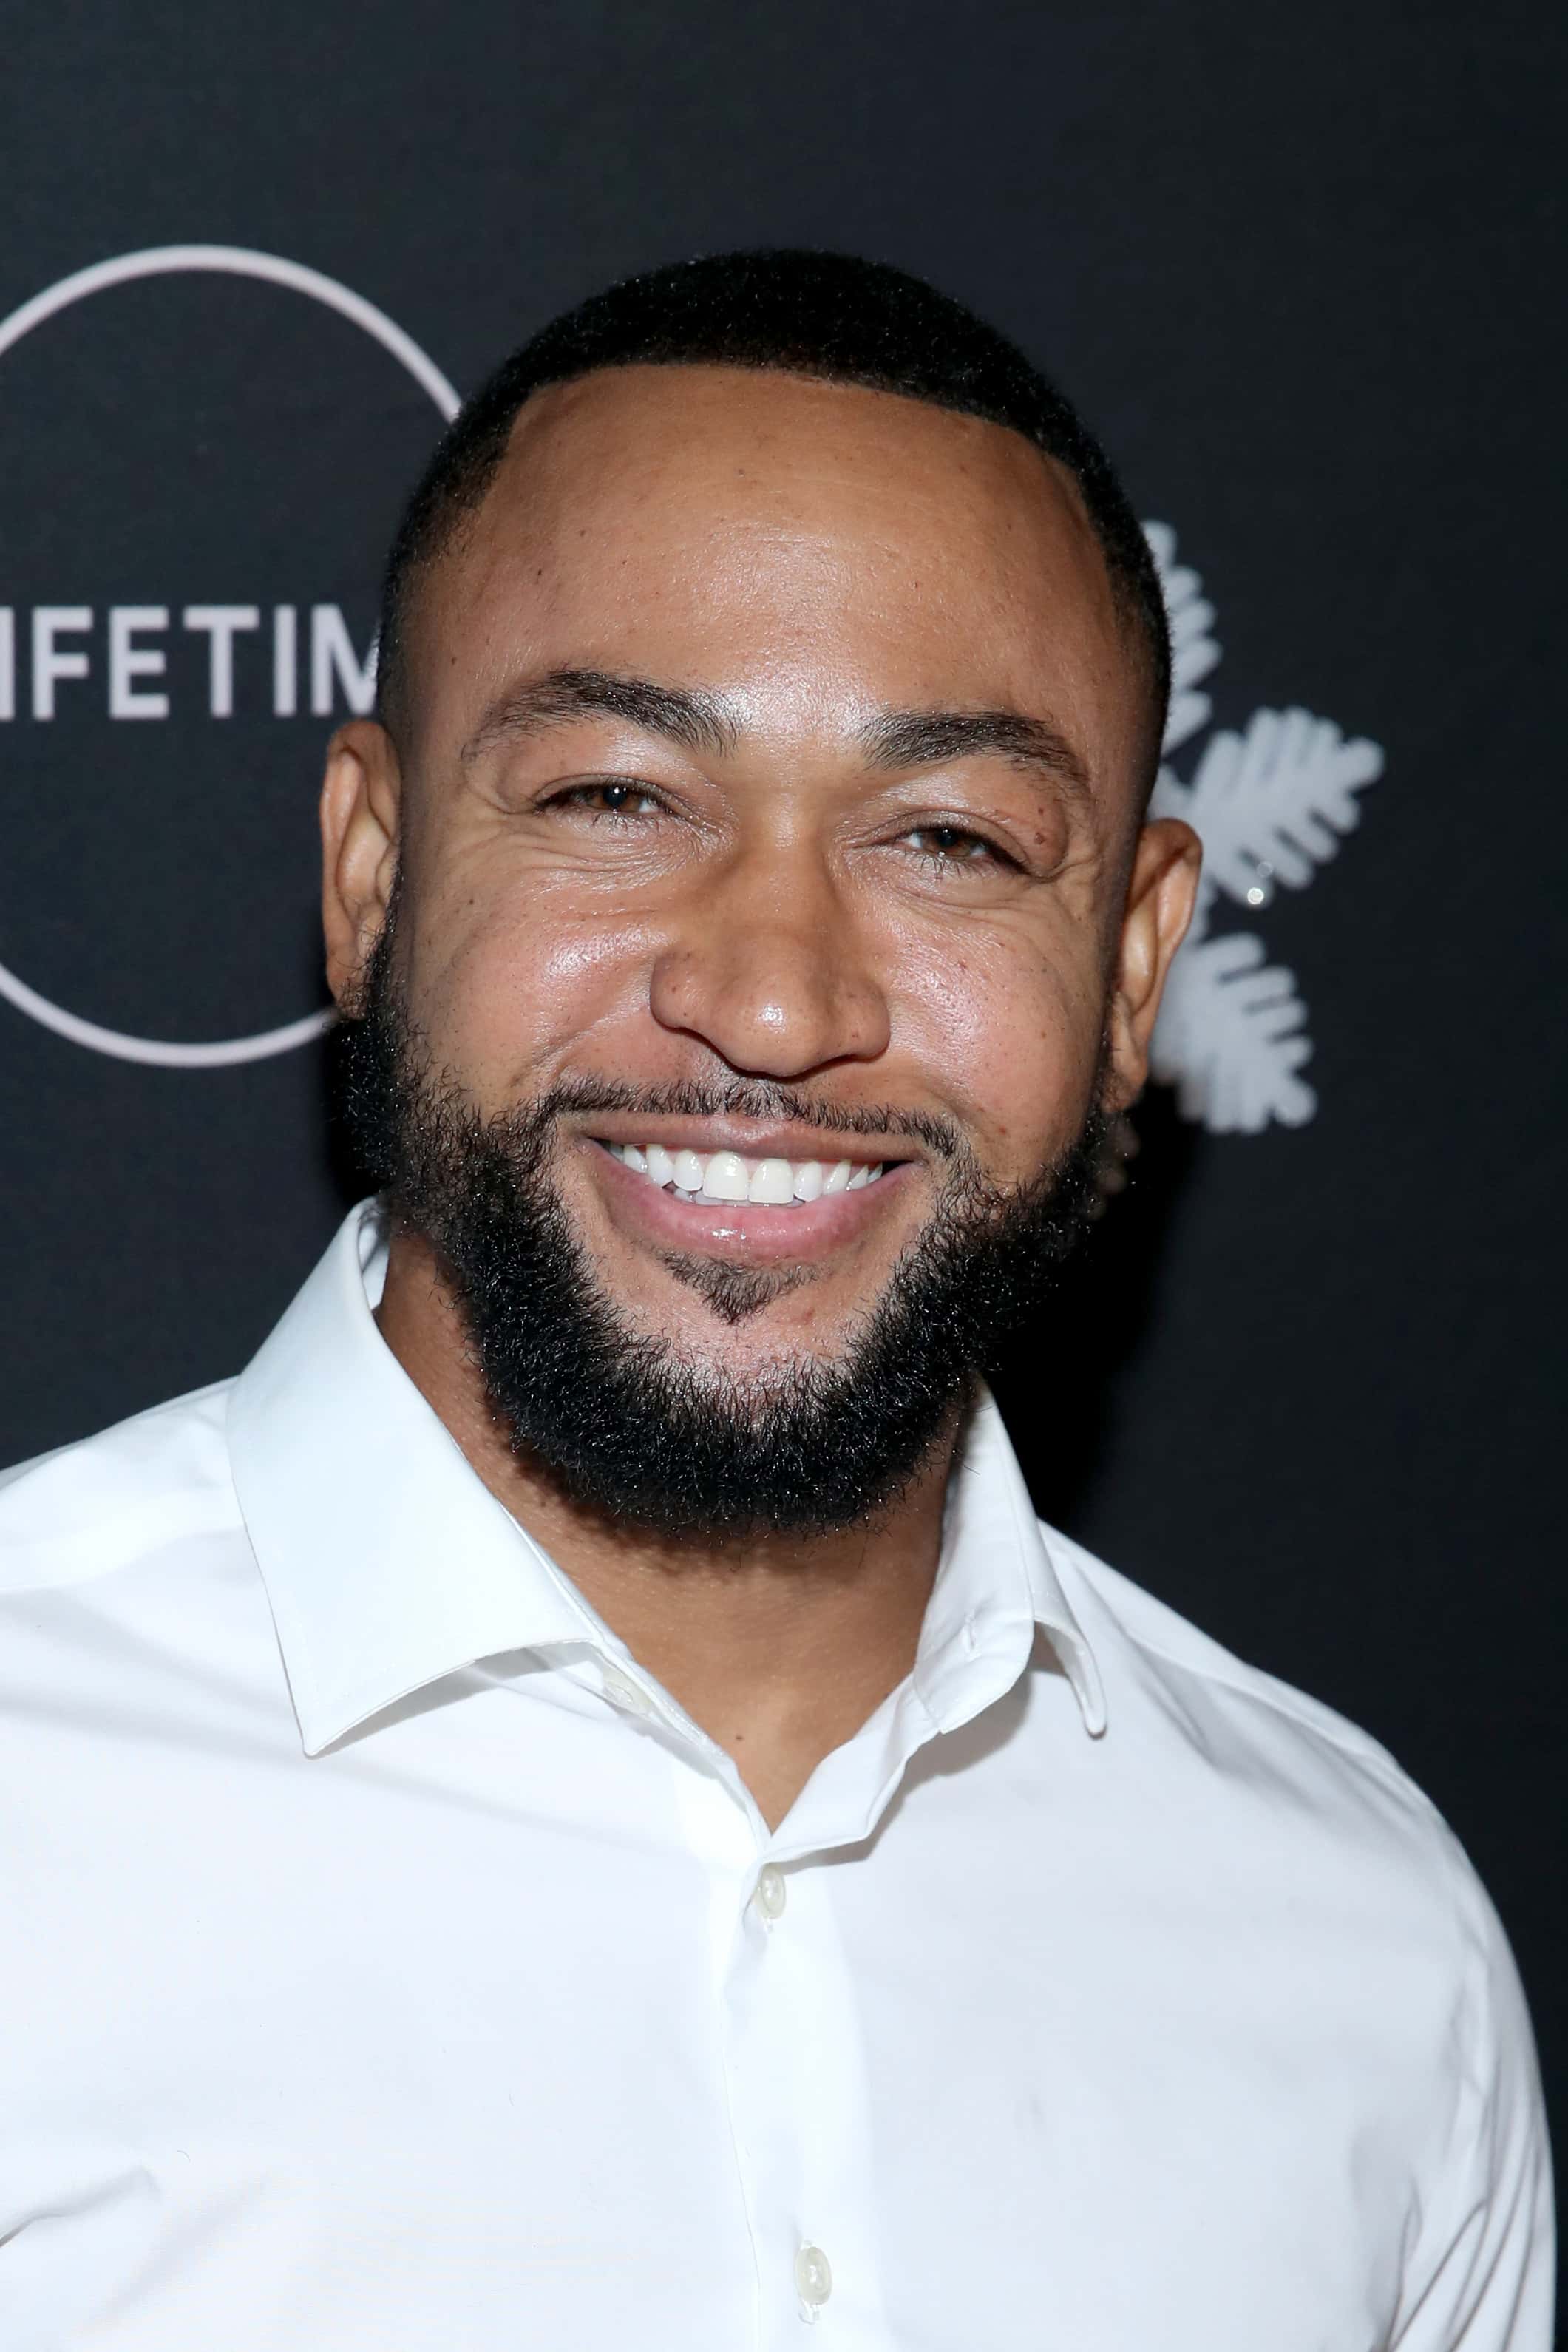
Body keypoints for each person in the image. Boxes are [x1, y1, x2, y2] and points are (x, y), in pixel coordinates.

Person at [0, 249, 1550, 2348]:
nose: (772, 997)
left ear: (1130, 963)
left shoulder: (1367, 1954)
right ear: (370, 872)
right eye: (618, 798)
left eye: (948, 841)